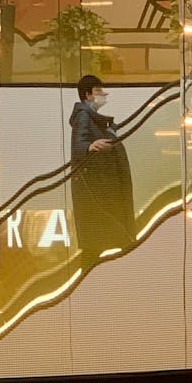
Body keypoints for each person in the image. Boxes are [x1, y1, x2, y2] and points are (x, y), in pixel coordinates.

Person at [69, 74, 135, 258]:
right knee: (101, 234)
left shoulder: (96, 119)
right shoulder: (84, 116)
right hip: (99, 186)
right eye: (98, 91)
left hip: (106, 183)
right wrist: (89, 147)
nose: (103, 94)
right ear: (87, 95)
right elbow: (79, 144)